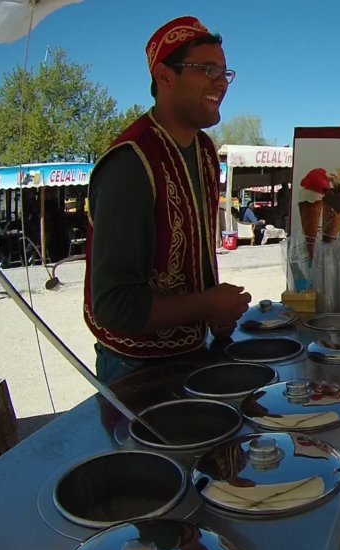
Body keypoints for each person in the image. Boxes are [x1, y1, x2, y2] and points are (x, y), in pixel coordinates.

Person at [83, 16, 251, 385]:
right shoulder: (130, 162)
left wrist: (215, 315)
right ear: (165, 77)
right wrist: (208, 304)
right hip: (134, 368)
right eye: (207, 69)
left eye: (225, 72)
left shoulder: (205, 152)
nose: (221, 82)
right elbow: (113, 305)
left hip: (194, 351)